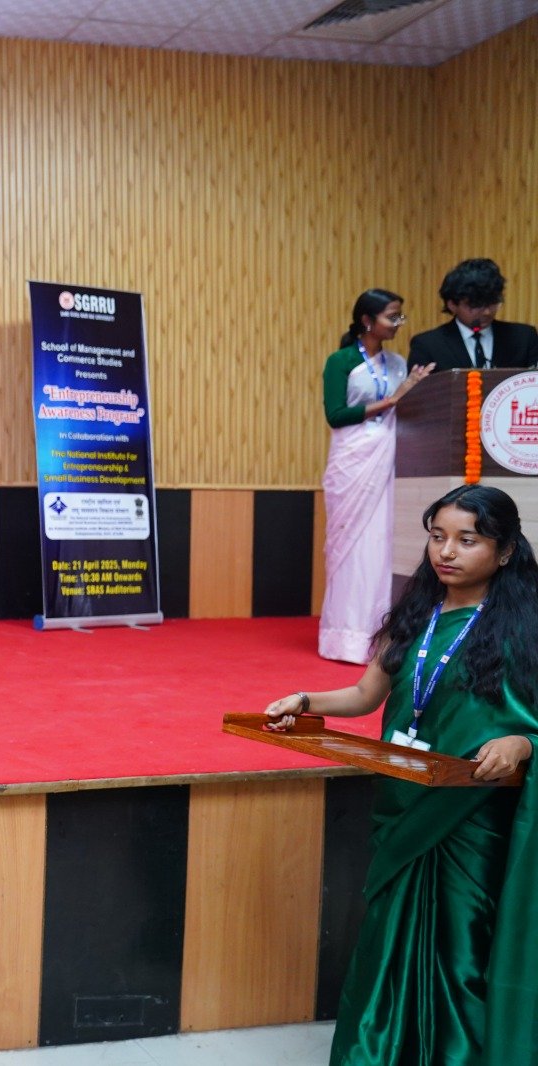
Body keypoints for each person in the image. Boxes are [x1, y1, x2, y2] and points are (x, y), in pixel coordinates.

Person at [264, 484, 538, 1066]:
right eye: (438, 537)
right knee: (389, 936)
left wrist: (522, 742)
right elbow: (366, 695)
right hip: (405, 798)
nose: (447, 552)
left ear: (506, 551)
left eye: (467, 540)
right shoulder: (415, 616)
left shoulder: (528, 627)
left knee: (462, 945)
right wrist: (305, 700)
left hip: (473, 813)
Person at [319, 289, 433, 663]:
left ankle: (380, 635)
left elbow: (407, 409)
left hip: (391, 458)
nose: (399, 323)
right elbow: (335, 414)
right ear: (367, 321)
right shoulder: (341, 361)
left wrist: (413, 392)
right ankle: (344, 638)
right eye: (392, 316)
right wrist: (392, 399)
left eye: (401, 316)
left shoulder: (398, 363)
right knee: (352, 547)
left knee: (383, 544)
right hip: (353, 460)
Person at [409, 258, 538, 372]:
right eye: (476, 305)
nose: (487, 312)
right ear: (452, 304)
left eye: (492, 303)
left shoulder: (523, 337)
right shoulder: (427, 345)